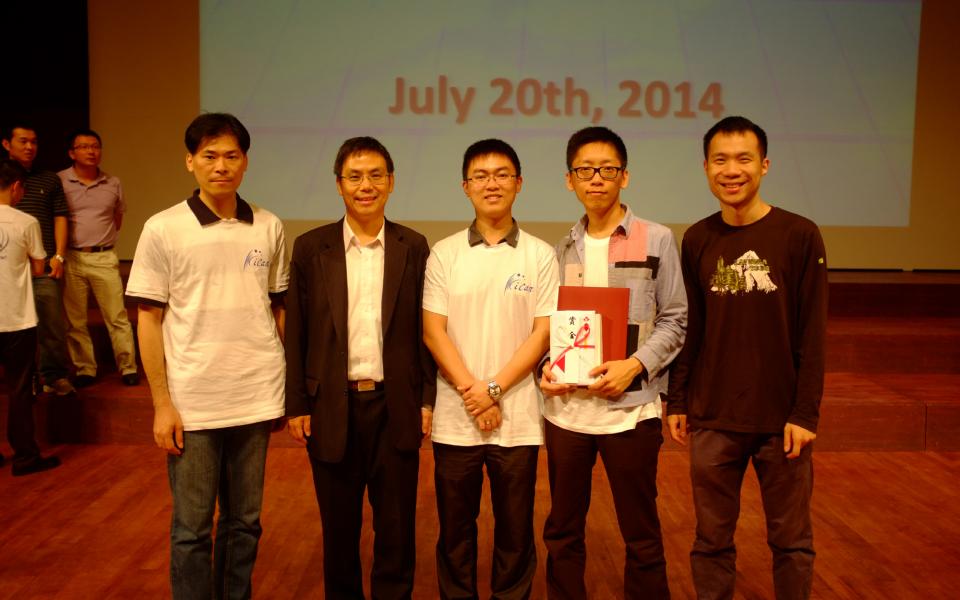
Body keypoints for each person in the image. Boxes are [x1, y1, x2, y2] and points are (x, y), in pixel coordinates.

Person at [125, 113, 288, 600]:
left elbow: (277, 308)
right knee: (192, 529)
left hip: (255, 397)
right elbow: (148, 320)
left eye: (232, 156)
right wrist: (161, 402)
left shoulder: (269, 224)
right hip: (194, 403)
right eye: (210, 156)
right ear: (190, 161)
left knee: (245, 524)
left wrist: (280, 386)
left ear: (246, 162)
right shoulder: (162, 229)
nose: (222, 166)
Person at [666, 116, 828, 600]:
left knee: (792, 542)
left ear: (764, 165)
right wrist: (678, 400)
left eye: (743, 159)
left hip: (782, 422)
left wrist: (805, 412)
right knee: (711, 542)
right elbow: (690, 327)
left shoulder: (800, 235)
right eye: (720, 160)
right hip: (713, 417)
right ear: (705, 168)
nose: (731, 170)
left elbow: (813, 332)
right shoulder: (697, 239)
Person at [284, 136, 436, 599]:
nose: (365, 185)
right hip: (332, 405)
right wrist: (297, 403)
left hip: (396, 407)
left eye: (375, 175)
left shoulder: (413, 246)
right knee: (339, 533)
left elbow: (425, 332)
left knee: (396, 532)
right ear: (338, 185)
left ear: (390, 183)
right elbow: (297, 334)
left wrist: (427, 399)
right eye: (354, 176)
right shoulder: (312, 248)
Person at [539, 126, 687, 599]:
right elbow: (553, 326)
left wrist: (635, 365)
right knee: (563, 531)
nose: (596, 178)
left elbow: (676, 319)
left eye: (607, 169)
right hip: (568, 414)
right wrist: (548, 365)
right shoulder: (560, 249)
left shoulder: (657, 238)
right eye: (585, 170)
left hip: (632, 410)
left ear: (625, 176)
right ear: (570, 180)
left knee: (640, 533)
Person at [423, 138, 559, 600]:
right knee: (455, 535)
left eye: (502, 174)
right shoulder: (444, 253)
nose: (492, 183)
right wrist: (474, 392)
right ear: (465, 187)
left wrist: (495, 389)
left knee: (516, 534)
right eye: (480, 176)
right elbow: (433, 332)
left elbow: (543, 333)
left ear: (519, 183)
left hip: (519, 419)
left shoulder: (541, 254)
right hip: (456, 418)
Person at [58, 129, 139, 387]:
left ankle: (128, 367)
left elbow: (118, 219)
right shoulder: (60, 181)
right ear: (72, 153)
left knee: (117, 316)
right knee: (75, 319)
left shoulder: (112, 182)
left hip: (104, 256)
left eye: (95, 146)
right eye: (83, 147)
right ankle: (85, 369)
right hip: (72, 256)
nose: (91, 151)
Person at [2, 122, 74, 396]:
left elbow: (60, 217)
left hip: (42, 264)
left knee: (51, 320)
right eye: (22, 141)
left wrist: (59, 255)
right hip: (6, 265)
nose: (29, 147)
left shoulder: (49, 179)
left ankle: (53, 375)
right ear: (7, 144)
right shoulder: (2, 178)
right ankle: (20, 378)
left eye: (33, 141)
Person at [0, 159, 62, 475]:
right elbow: (39, 268)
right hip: (15, 318)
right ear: (15, 187)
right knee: (20, 388)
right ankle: (24, 456)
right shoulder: (25, 222)